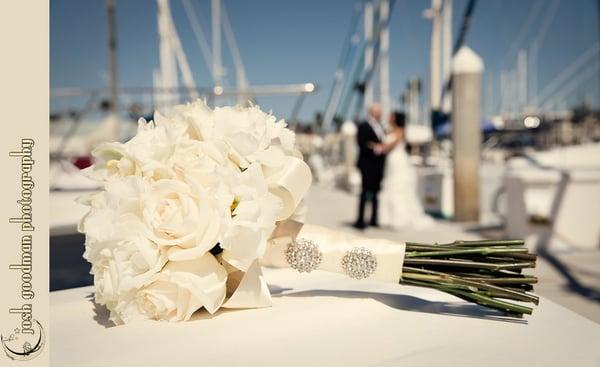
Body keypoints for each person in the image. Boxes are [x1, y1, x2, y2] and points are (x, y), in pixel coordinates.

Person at [371, 111, 434, 230]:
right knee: (390, 185)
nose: (389, 117)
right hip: (391, 161)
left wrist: (378, 147)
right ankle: (387, 218)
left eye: (391, 116)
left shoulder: (401, 131)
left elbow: (390, 145)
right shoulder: (390, 130)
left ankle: (399, 219)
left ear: (395, 119)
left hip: (398, 160)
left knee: (397, 186)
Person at [353, 104, 387, 230]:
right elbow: (362, 144)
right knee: (365, 191)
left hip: (378, 165)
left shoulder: (381, 127)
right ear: (372, 112)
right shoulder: (363, 126)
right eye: (378, 112)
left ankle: (374, 219)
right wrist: (377, 148)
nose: (380, 114)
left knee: (376, 193)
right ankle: (360, 220)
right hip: (367, 164)